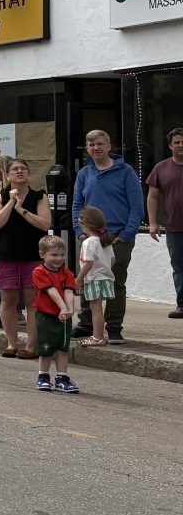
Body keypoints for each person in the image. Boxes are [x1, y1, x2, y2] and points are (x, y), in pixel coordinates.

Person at [70, 129, 140, 343]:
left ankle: (114, 327)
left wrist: (127, 234)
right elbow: (76, 205)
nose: (96, 148)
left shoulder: (125, 171)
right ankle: (86, 324)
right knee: (88, 278)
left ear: (109, 146)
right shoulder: (84, 174)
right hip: (89, 238)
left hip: (117, 237)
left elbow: (137, 206)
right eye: (91, 145)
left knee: (115, 282)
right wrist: (80, 231)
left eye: (100, 144)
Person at [0, 156, 52, 358]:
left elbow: (44, 224)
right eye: (15, 169)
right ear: (7, 175)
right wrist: (11, 203)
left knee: (32, 301)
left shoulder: (39, 197)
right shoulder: (0, 197)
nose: (19, 171)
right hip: (7, 254)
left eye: (23, 168)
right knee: (8, 300)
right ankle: (11, 344)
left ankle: (31, 347)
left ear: (28, 174)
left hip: (32, 254)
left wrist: (21, 209)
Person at [31, 235, 81, 393]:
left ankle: (62, 378)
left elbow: (68, 291)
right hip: (46, 315)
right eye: (54, 255)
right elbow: (51, 291)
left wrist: (69, 309)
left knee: (62, 348)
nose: (59, 258)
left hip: (63, 316)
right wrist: (62, 308)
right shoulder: (39, 272)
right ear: (42, 254)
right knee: (46, 349)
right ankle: (43, 376)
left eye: (62, 255)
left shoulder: (67, 273)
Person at [146, 126, 183, 321]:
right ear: (170, 146)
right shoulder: (161, 168)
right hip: (174, 226)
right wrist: (152, 223)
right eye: (176, 142)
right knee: (179, 267)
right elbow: (152, 197)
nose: (180, 145)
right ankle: (182, 305)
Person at [74, 206, 117, 350]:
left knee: (95, 308)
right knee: (97, 307)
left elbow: (88, 263)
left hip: (94, 278)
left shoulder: (89, 242)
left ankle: (98, 337)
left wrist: (78, 279)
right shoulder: (105, 240)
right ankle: (98, 336)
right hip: (105, 277)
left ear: (83, 222)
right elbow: (112, 260)